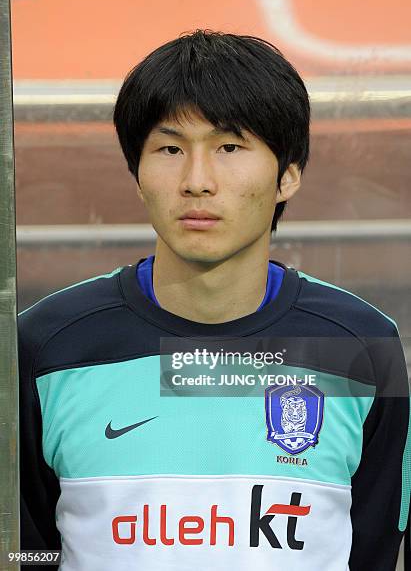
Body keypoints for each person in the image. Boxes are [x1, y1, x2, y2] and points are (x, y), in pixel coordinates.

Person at [19, 29, 410, 571]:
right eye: (170, 148)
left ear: (288, 175)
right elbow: (28, 548)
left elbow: (370, 546)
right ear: (137, 173)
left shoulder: (362, 346)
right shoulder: (46, 345)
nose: (196, 181)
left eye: (230, 147)